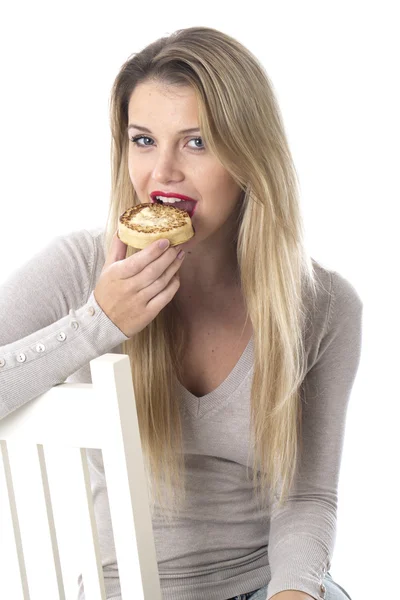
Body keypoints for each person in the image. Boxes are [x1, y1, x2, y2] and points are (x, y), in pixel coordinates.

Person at [0, 26, 362, 600]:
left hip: (266, 587)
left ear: (249, 155)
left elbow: (309, 496)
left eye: (196, 142)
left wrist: (294, 592)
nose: (163, 172)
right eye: (143, 140)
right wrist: (99, 324)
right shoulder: (77, 268)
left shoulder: (323, 306)